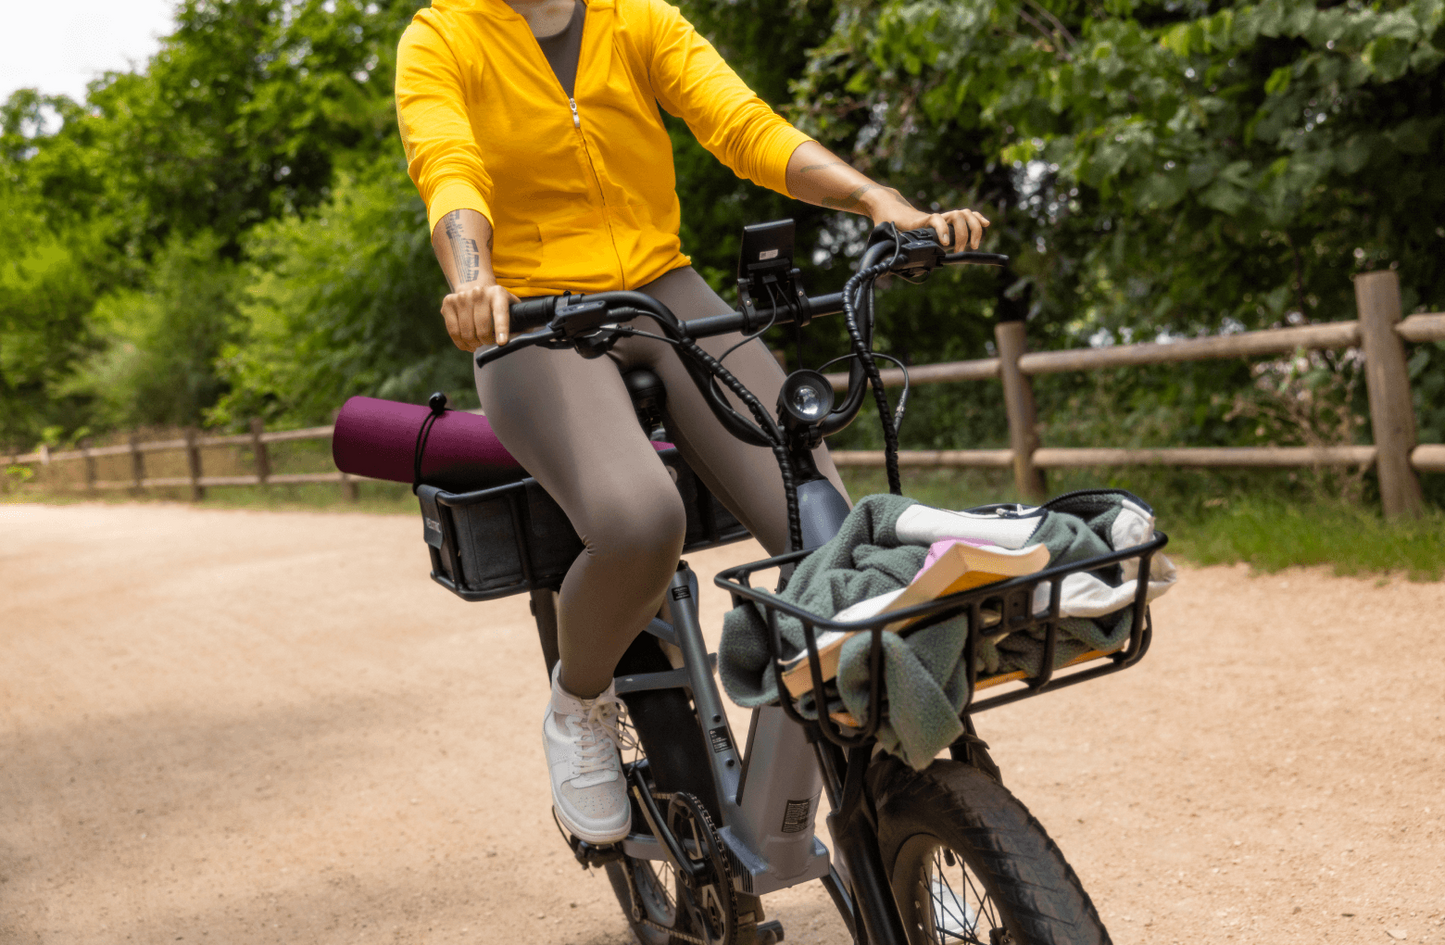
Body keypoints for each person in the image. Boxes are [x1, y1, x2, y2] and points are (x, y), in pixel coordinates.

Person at [394, 0, 990, 844]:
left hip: (659, 284)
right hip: (526, 312)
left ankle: (874, 744)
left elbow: (742, 125)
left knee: (817, 511)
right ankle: (580, 700)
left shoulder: (635, 19)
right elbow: (448, 163)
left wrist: (875, 199)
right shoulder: (442, 35)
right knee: (639, 520)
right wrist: (474, 277)